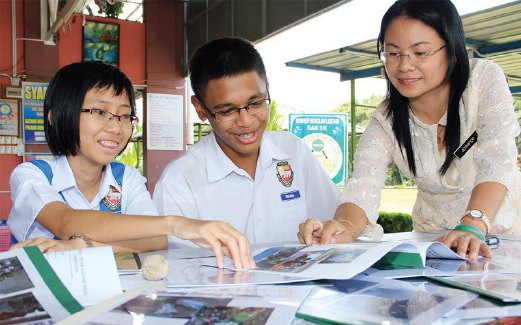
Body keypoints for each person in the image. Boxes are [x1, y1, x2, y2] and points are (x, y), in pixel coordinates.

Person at [298, 0, 521, 260]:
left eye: (421, 52)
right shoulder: (385, 120)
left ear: (451, 49)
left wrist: (472, 224)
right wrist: (343, 226)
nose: (404, 66)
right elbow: (362, 187)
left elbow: (497, 157)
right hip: (434, 241)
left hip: (505, 232)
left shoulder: (483, 81)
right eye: (393, 53)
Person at [7, 61, 253, 269]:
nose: (116, 127)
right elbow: (66, 222)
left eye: (125, 115)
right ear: (57, 115)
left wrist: (80, 246)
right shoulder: (31, 176)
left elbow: (156, 241)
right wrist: (177, 224)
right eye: (100, 112)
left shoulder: (127, 178)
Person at [153, 37, 340, 247]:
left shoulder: (294, 152)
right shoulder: (179, 181)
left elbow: (333, 223)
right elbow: (178, 268)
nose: (246, 121)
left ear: (267, 88)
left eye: (256, 103)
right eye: (226, 111)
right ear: (200, 108)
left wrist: (321, 231)